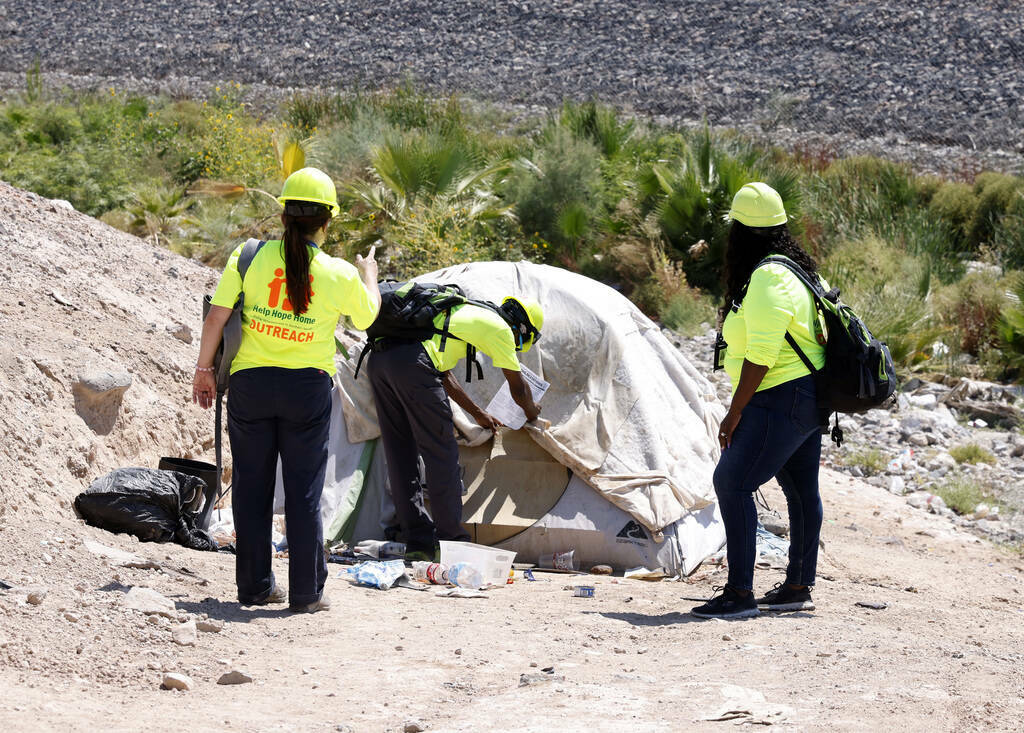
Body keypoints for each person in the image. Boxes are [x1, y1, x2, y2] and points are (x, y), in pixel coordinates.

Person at [192, 167, 381, 613]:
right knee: (303, 491)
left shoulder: (249, 256)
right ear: (327, 221)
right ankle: (306, 592)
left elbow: (217, 317)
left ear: (283, 215)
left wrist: (202, 369)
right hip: (306, 391)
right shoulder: (338, 273)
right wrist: (368, 273)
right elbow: (369, 317)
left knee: (252, 489)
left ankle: (256, 587)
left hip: (251, 386)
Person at [691, 182, 825, 619]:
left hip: (777, 397)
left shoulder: (768, 277)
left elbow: (761, 356)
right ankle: (798, 585)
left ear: (741, 233)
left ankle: (739, 594)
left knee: (732, 481)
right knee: (801, 489)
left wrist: (735, 412)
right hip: (807, 398)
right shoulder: (800, 272)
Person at [367, 295, 544, 561]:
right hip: (414, 367)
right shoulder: (500, 329)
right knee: (441, 454)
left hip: (380, 364)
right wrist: (532, 412)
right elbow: (518, 388)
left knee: (400, 455)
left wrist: (477, 413)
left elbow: (445, 375)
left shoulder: (462, 311)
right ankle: (452, 541)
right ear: (522, 329)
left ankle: (418, 542)